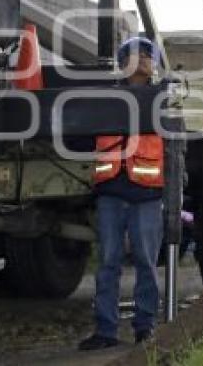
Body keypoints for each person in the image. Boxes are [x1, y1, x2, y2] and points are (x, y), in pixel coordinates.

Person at [78, 37, 165, 351]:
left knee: (145, 262)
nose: (140, 59)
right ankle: (105, 330)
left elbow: (176, 146)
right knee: (108, 262)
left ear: (154, 63)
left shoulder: (163, 98)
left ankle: (145, 327)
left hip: (147, 192)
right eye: (133, 54)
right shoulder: (107, 97)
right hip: (111, 190)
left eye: (146, 55)